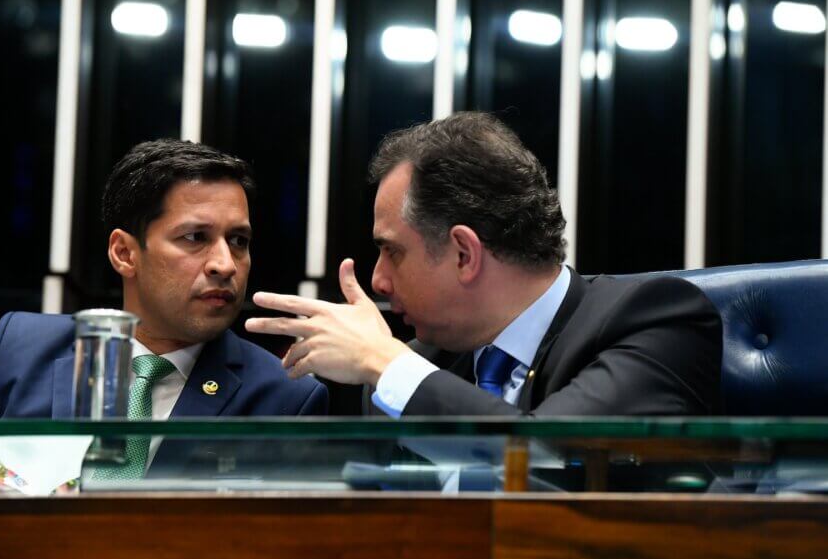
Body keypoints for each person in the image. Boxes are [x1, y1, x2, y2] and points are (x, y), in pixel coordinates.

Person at [245, 112, 722, 416]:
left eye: (392, 251)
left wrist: (384, 361)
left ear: (464, 254)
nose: (378, 280)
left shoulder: (655, 320)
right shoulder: (426, 363)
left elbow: (547, 462)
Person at [0, 139, 327, 421]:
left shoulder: (285, 397)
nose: (225, 264)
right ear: (124, 253)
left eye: (238, 241)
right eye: (195, 238)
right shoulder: (20, 348)